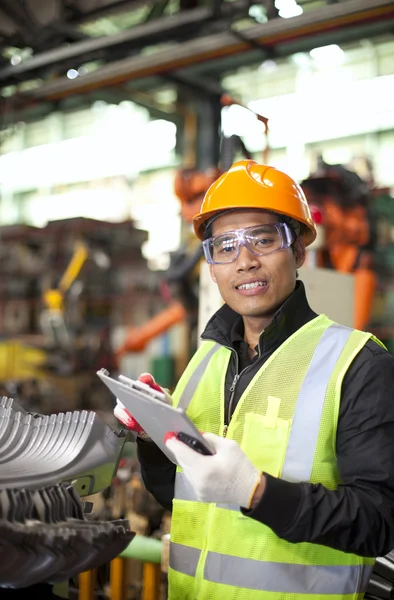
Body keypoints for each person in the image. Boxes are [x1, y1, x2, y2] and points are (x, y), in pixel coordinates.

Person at [115, 160, 394, 599]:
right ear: (210, 264)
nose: (243, 261)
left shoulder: (357, 364)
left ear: (299, 250)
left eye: (262, 240)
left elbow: (379, 522)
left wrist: (257, 492)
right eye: (224, 246)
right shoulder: (206, 359)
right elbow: (183, 497)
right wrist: (153, 437)